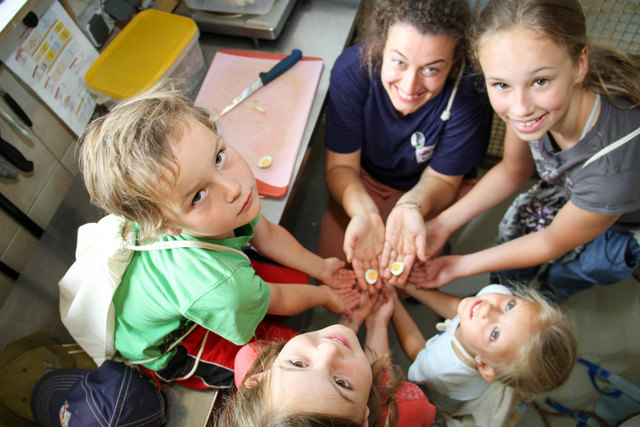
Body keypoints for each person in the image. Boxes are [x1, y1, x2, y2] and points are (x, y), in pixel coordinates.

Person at [77, 82, 358, 389]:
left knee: (298, 285)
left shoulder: (220, 206)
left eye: (219, 157)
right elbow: (274, 297)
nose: (233, 188)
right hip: (173, 341)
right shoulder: (221, 285)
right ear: (166, 225)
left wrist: (322, 269)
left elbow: (266, 234)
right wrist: (328, 296)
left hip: (201, 290)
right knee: (273, 366)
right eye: (197, 196)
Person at [413, 0, 640, 300]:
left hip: (624, 217)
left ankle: (550, 293)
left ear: (580, 64)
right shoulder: (533, 106)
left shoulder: (612, 168)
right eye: (501, 85)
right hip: (575, 190)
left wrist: (456, 266)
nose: (520, 108)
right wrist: (442, 224)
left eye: (540, 81)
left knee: (576, 269)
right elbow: (513, 169)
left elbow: (551, 242)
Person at [316, 0, 493, 290]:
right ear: (380, 45)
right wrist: (365, 211)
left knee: (405, 277)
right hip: (363, 176)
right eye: (399, 62)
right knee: (336, 268)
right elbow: (341, 166)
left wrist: (410, 205)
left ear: (455, 62)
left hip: (431, 186)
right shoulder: (353, 71)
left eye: (432, 70)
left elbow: (443, 179)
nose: (410, 87)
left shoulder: (470, 91)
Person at [215, 289, 437, 426]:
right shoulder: (407, 407)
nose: (329, 351)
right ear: (364, 419)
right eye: (341, 383)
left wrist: (352, 319)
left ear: (258, 380)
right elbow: (381, 376)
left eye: (298, 364)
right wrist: (378, 321)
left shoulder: (252, 356)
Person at [391, 283, 576, 417]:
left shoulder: (442, 369)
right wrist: (410, 286)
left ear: (484, 365)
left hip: (443, 391)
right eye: (510, 306)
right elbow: (459, 310)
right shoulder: (495, 298)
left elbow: (417, 350)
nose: (488, 307)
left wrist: (394, 303)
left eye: (495, 334)